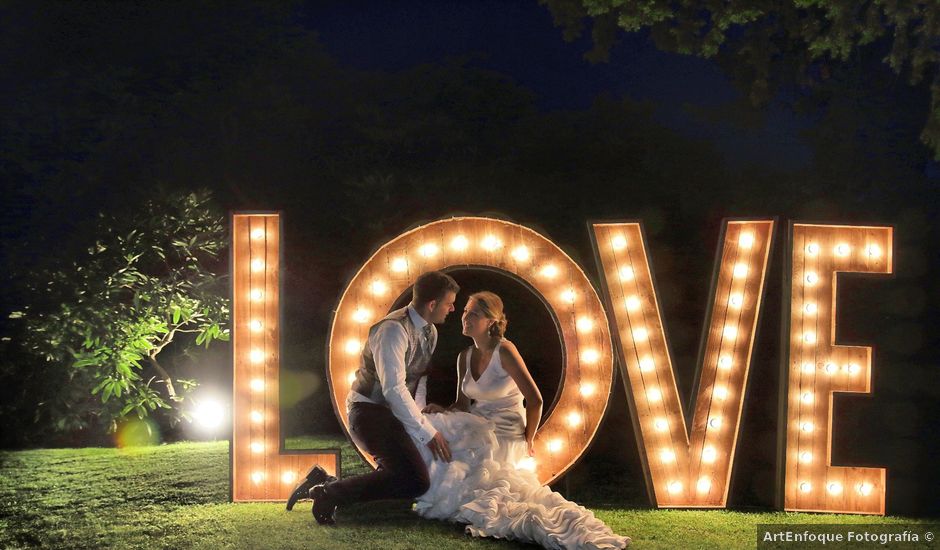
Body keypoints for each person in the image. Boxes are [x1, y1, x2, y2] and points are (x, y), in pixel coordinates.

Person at [416, 291, 631, 549]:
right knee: (432, 428)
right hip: (479, 428)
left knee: (502, 495)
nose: (465, 317)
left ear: (490, 321)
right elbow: (462, 405)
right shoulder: (465, 356)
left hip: (507, 434)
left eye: (473, 313)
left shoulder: (505, 351)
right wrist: (441, 410)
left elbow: (535, 399)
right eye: (464, 312)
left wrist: (529, 437)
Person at [288, 271, 459, 524]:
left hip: (392, 415)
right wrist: (427, 432)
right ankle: (327, 493)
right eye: (449, 303)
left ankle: (324, 481)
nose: (453, 308)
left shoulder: (430, 332)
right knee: (416, 480)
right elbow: (393, 389)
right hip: (368, 413)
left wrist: (420, 415)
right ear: (432, 304)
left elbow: (417, 378)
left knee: (404, 479)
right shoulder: (392, 330)